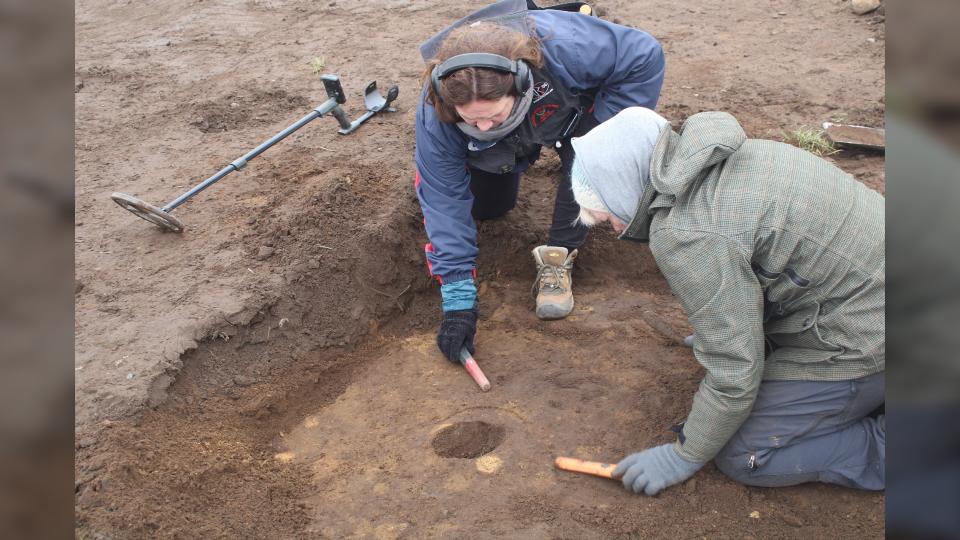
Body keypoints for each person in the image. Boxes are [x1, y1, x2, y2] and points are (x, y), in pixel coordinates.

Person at [568, 107, 885, 495]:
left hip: (873, 333)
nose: (616, 229)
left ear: (625, 185)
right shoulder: (734, 155)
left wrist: (683, 454)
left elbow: (735, 373)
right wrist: (719, 335)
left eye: (609, 216)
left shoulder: (688, 233)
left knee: (746, 453)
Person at [414, 0, 665, 364]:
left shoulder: (567, 47)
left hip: (571, 107)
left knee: (588, 167)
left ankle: (559, 254)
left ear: (519, 87)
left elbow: (644, 54)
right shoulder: (438, 110)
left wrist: (605, 138)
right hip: (512, 133)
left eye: (492, 115)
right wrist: (458, 302)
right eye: (472, 120)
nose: (482, 125)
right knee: (489, 207)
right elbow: (442, 196)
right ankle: (513, 151)